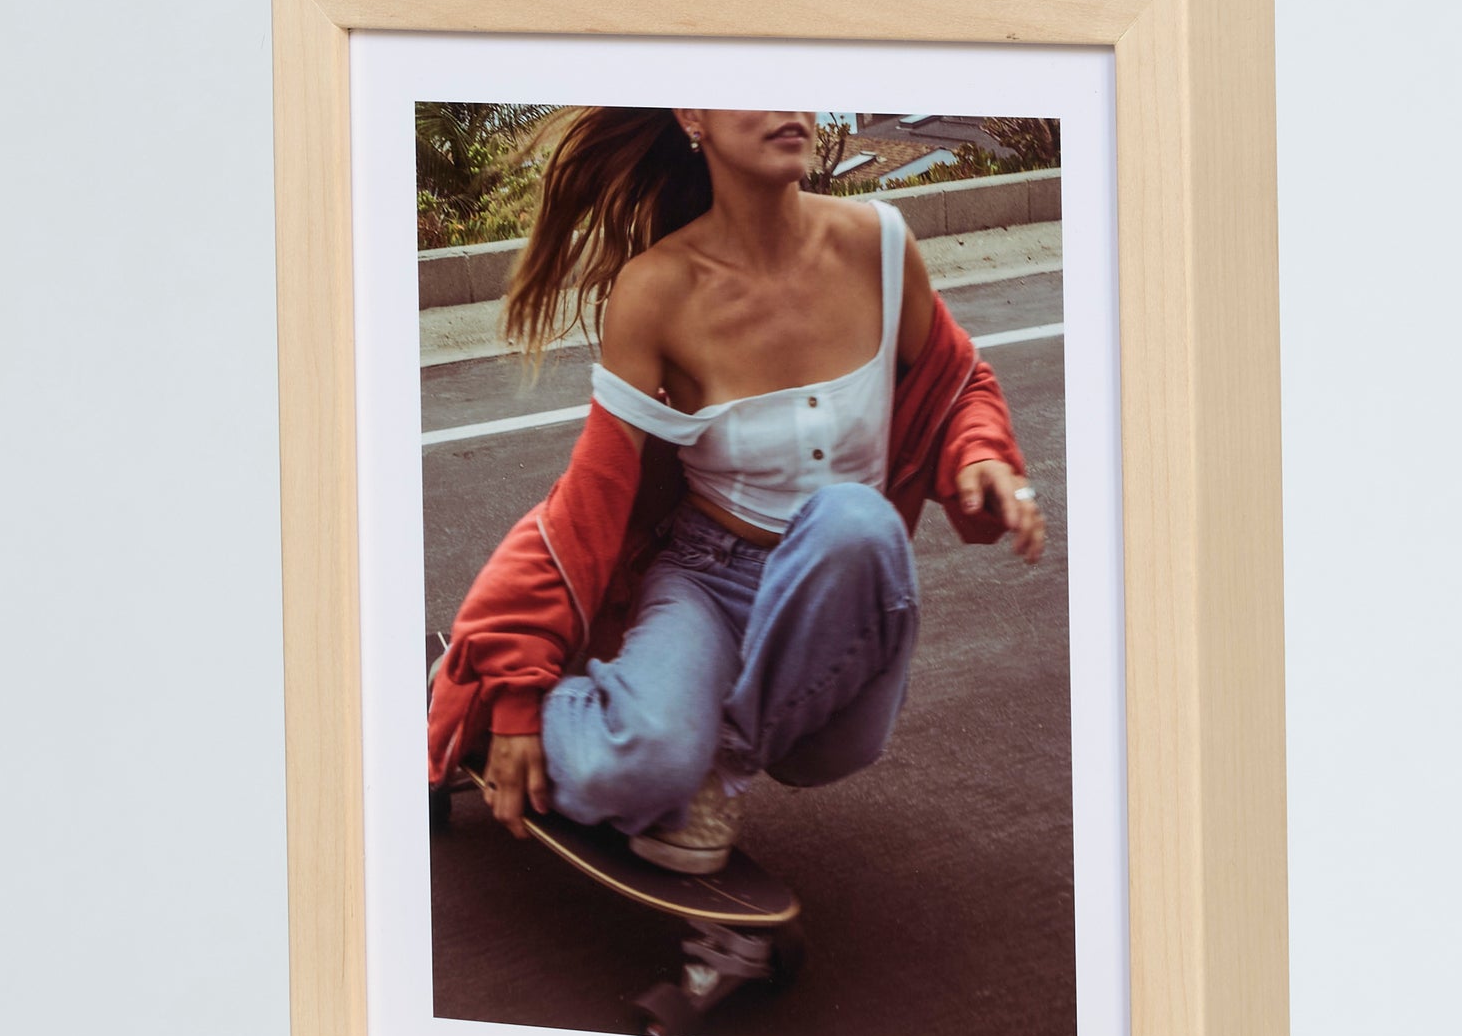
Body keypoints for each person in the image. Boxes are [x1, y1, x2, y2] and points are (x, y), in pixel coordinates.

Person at [427, 107, 1046, 874]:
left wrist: (981, 455)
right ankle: (510, 703)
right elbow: (591, 500)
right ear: (694, 118)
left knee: (854, 521)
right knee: (632, 769)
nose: (788, 106)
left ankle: (710, 763)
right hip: (706, 582)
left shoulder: (878, 245)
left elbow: (958, 387)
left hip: (838, 602)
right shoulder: (657, 291)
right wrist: (514, 687)